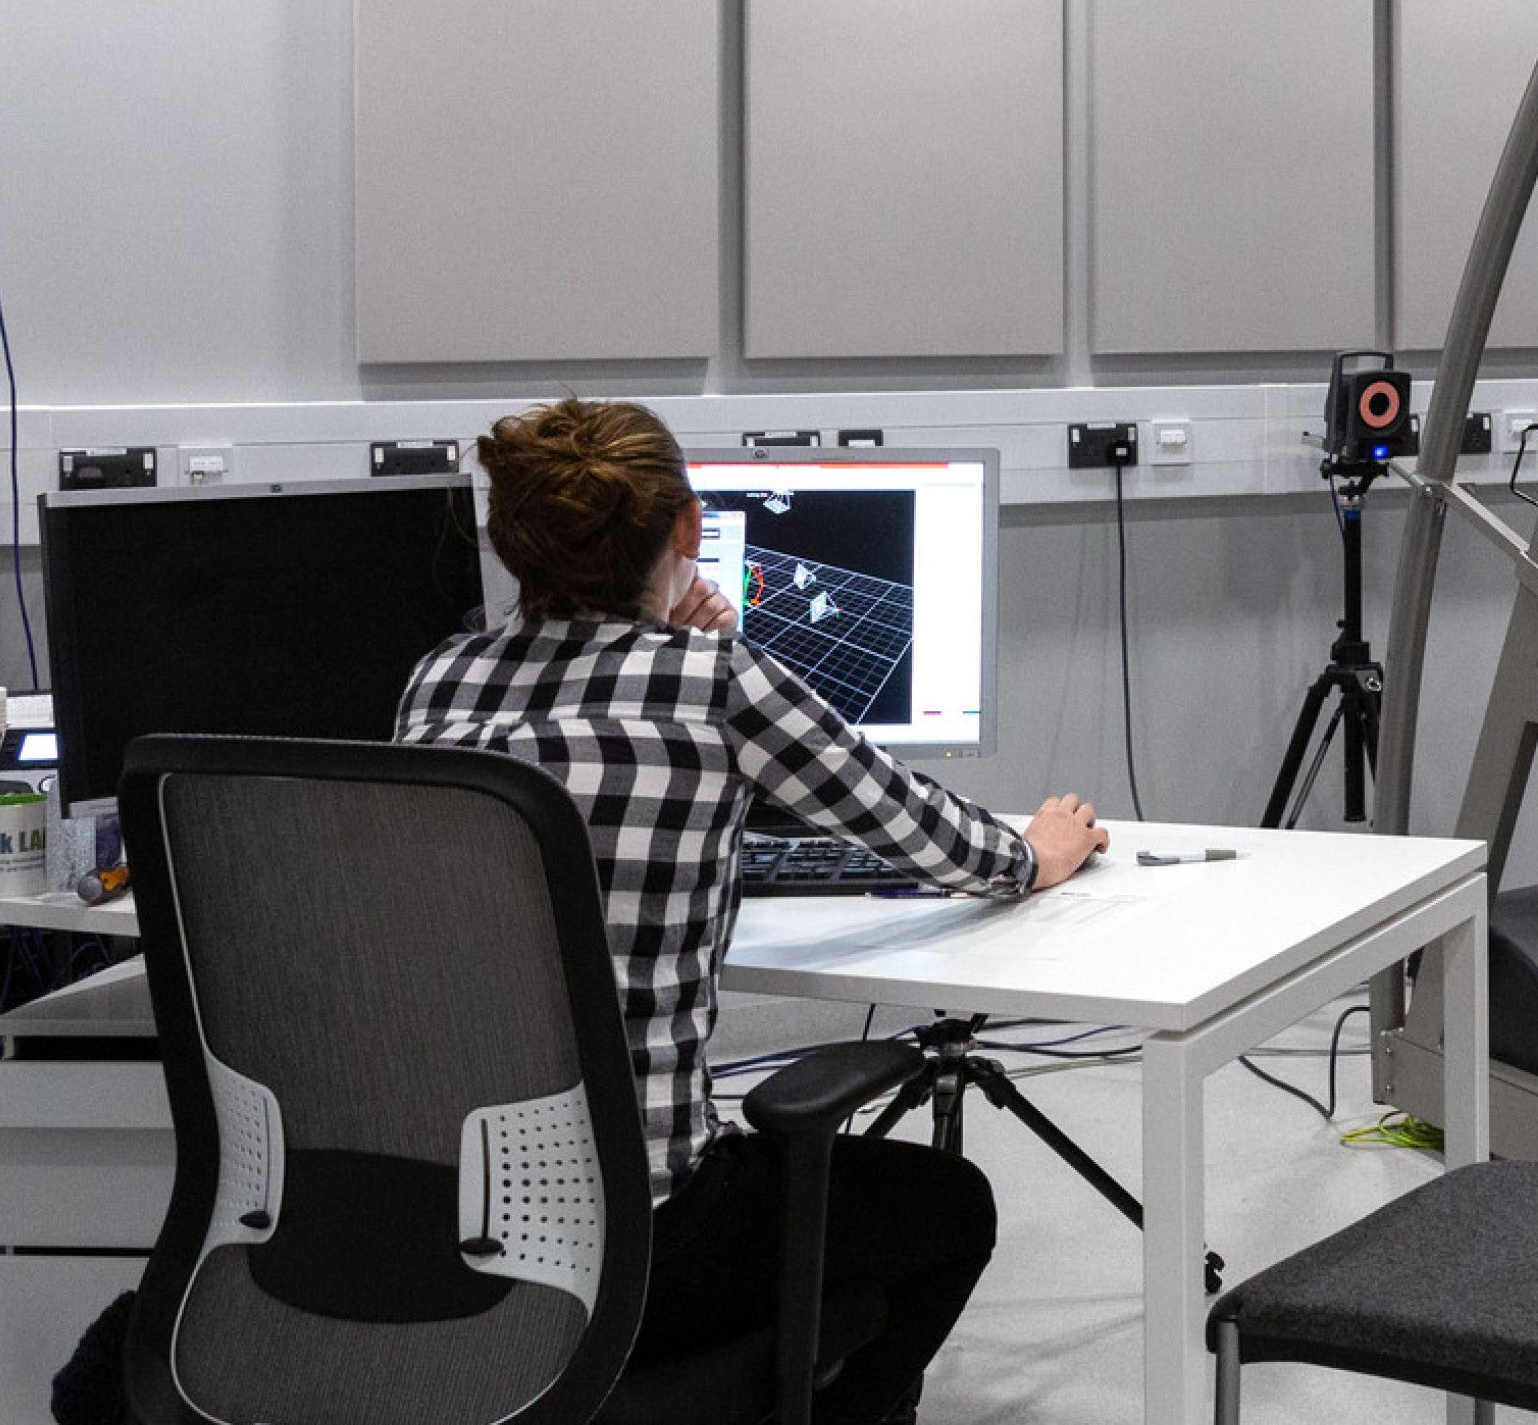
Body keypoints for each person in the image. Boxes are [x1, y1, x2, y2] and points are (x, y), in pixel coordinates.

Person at [400, 395, 1109, 1420]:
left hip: (442, 1217)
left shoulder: (439, 681)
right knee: (950, 1207)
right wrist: (1034, 852)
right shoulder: (714, 680)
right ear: (687, 530)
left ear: (512, 543)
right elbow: (931, 838)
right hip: (641, 1242)